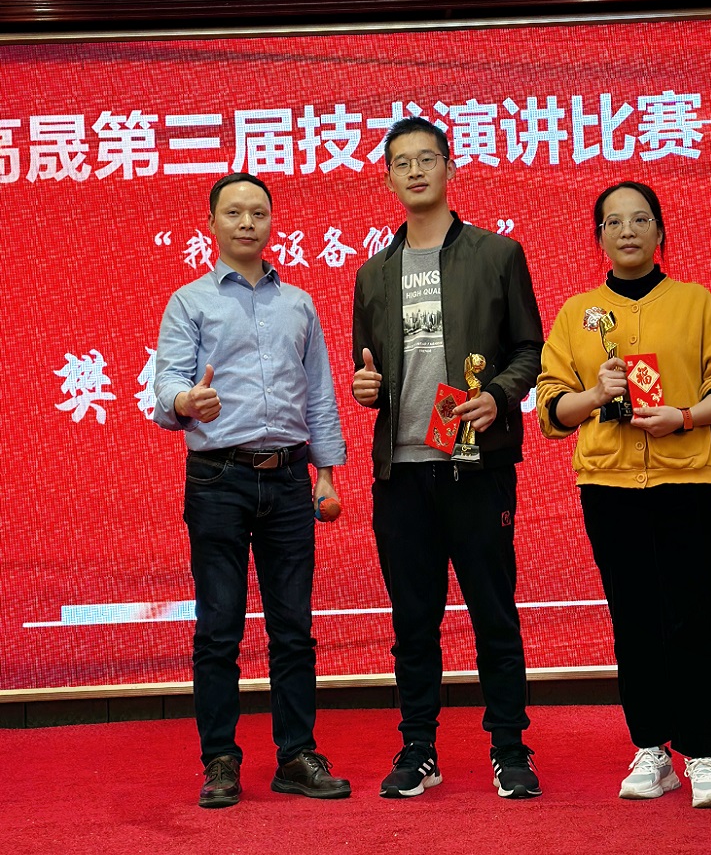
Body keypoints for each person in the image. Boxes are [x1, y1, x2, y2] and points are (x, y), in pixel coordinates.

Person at [537, 181, 711, 809]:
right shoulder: (578, 313)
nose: (627, 231)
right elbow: (552, 407)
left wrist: (683, 418)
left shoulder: (695, 302)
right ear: (599, 238)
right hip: (609, 485)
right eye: (614, 222)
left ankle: (705, 753)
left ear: (660, 232)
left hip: (685, 480)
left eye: (640, 220)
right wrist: (596, 394)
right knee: (633, 618)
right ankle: (652, 748)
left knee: (694, 616)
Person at [352, 116, 543, 800]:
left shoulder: (497, 254)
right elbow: (369, 369)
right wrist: (365, 387)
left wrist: (498, 395)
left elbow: (529, 348)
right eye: (401, 162)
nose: (415, 171)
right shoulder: (373, 274)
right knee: (413, 622)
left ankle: (510, 748)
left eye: (426, 158)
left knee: (494, 612)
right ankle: (418, 749)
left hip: (476, 466)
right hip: (401, 472)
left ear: (450, 167)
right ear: (387, 178)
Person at [153, 172, 351, 808]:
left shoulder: (299, 304)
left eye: (258, 213)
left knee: (293, 628)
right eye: (234, 213)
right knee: (219, 629)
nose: (246, 223)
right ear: (211, 223)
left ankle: (296, 756)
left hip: (290, 478)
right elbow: (166, 387)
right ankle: (219, 761)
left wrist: (326, 472)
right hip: (218, 479)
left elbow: (319, 393)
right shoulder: (189, 302)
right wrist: (188, 401)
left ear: (271, 223)